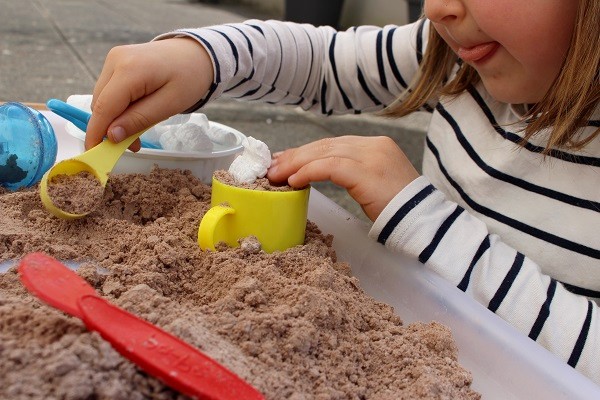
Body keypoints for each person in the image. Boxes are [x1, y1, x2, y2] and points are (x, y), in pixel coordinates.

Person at [85, 0, 600, 384]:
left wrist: (425, 221)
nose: (437, 8)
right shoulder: (455, 54)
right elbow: (327, 60)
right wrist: (205, 57)